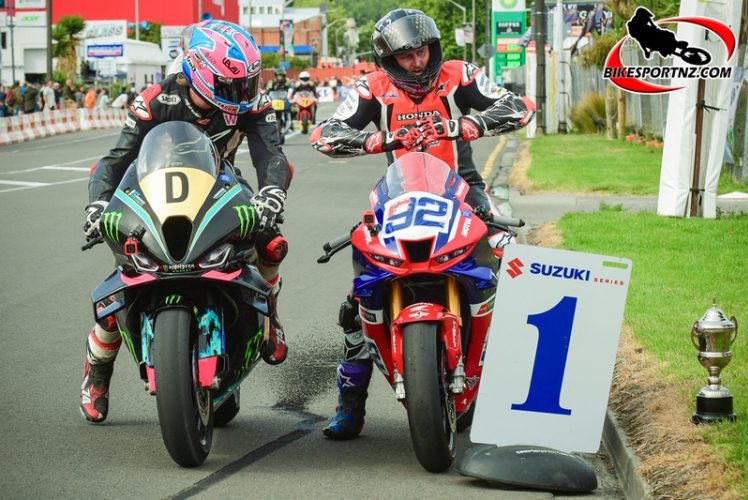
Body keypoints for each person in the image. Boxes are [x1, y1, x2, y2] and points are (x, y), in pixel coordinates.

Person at [309, 8, 534, 440]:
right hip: (399, 194)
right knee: (359, 297)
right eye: (406, 56)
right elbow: (325, 133)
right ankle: (350, 405)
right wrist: (375, 139)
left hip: (464, 190)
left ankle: (518, 384)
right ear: (387, 59)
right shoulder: (371, 87)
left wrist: (468, 123)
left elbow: (519, 107)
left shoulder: (459, 75)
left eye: (423, 51)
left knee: (507, 266)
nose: (417, 62)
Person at [79, 20, 292, 424]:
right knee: (124, 278)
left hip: (222, 185)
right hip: (155, 190)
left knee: (271, 243)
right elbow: (113, 161)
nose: (242, 95)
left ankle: (271, 316)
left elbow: (272, 154)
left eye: (246, 83)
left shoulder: (252, 101)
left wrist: (272, 193)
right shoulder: (155, 98)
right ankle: (97, 370)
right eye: (231, 85)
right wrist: (97, 206)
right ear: (196, 69)